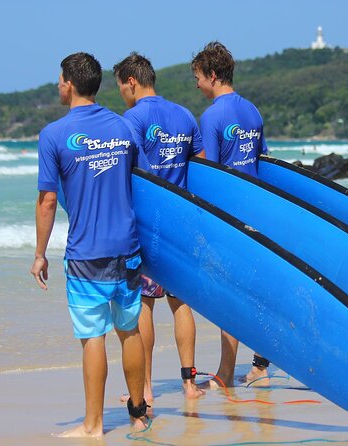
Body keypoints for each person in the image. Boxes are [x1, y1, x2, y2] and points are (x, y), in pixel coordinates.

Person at [30, 52, 148, 437]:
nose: (58, 85)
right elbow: (146, 188)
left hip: (86, 254)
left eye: (60, 79)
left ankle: (94, 425)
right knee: (129, 329)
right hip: (128, 249)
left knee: (92, 336)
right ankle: (138, 412)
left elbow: (48, 200)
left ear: (69, 84)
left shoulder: (53, 135)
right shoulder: (124, 127)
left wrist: (39, 254)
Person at [113, 52, 206, 403]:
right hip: (182, 223)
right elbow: (201, 168)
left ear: (132, 82)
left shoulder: (132, 119)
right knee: (181, 302)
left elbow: (133, 173)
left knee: (145, 306)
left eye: (121, 85)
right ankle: (188, 384)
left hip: (149, 227)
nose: (122, 92)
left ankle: (147, 389)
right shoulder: (184, 114)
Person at [191, 41, 271, 387]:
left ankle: (225, 373)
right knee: (255, 291)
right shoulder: (253, 111)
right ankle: (261, 364)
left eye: (198, 77)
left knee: (229, 296)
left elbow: (210, 172)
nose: (196, 85)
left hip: (228, 218)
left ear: (212, 75)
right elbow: (261, 161)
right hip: (258, 212)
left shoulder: (212, 115)